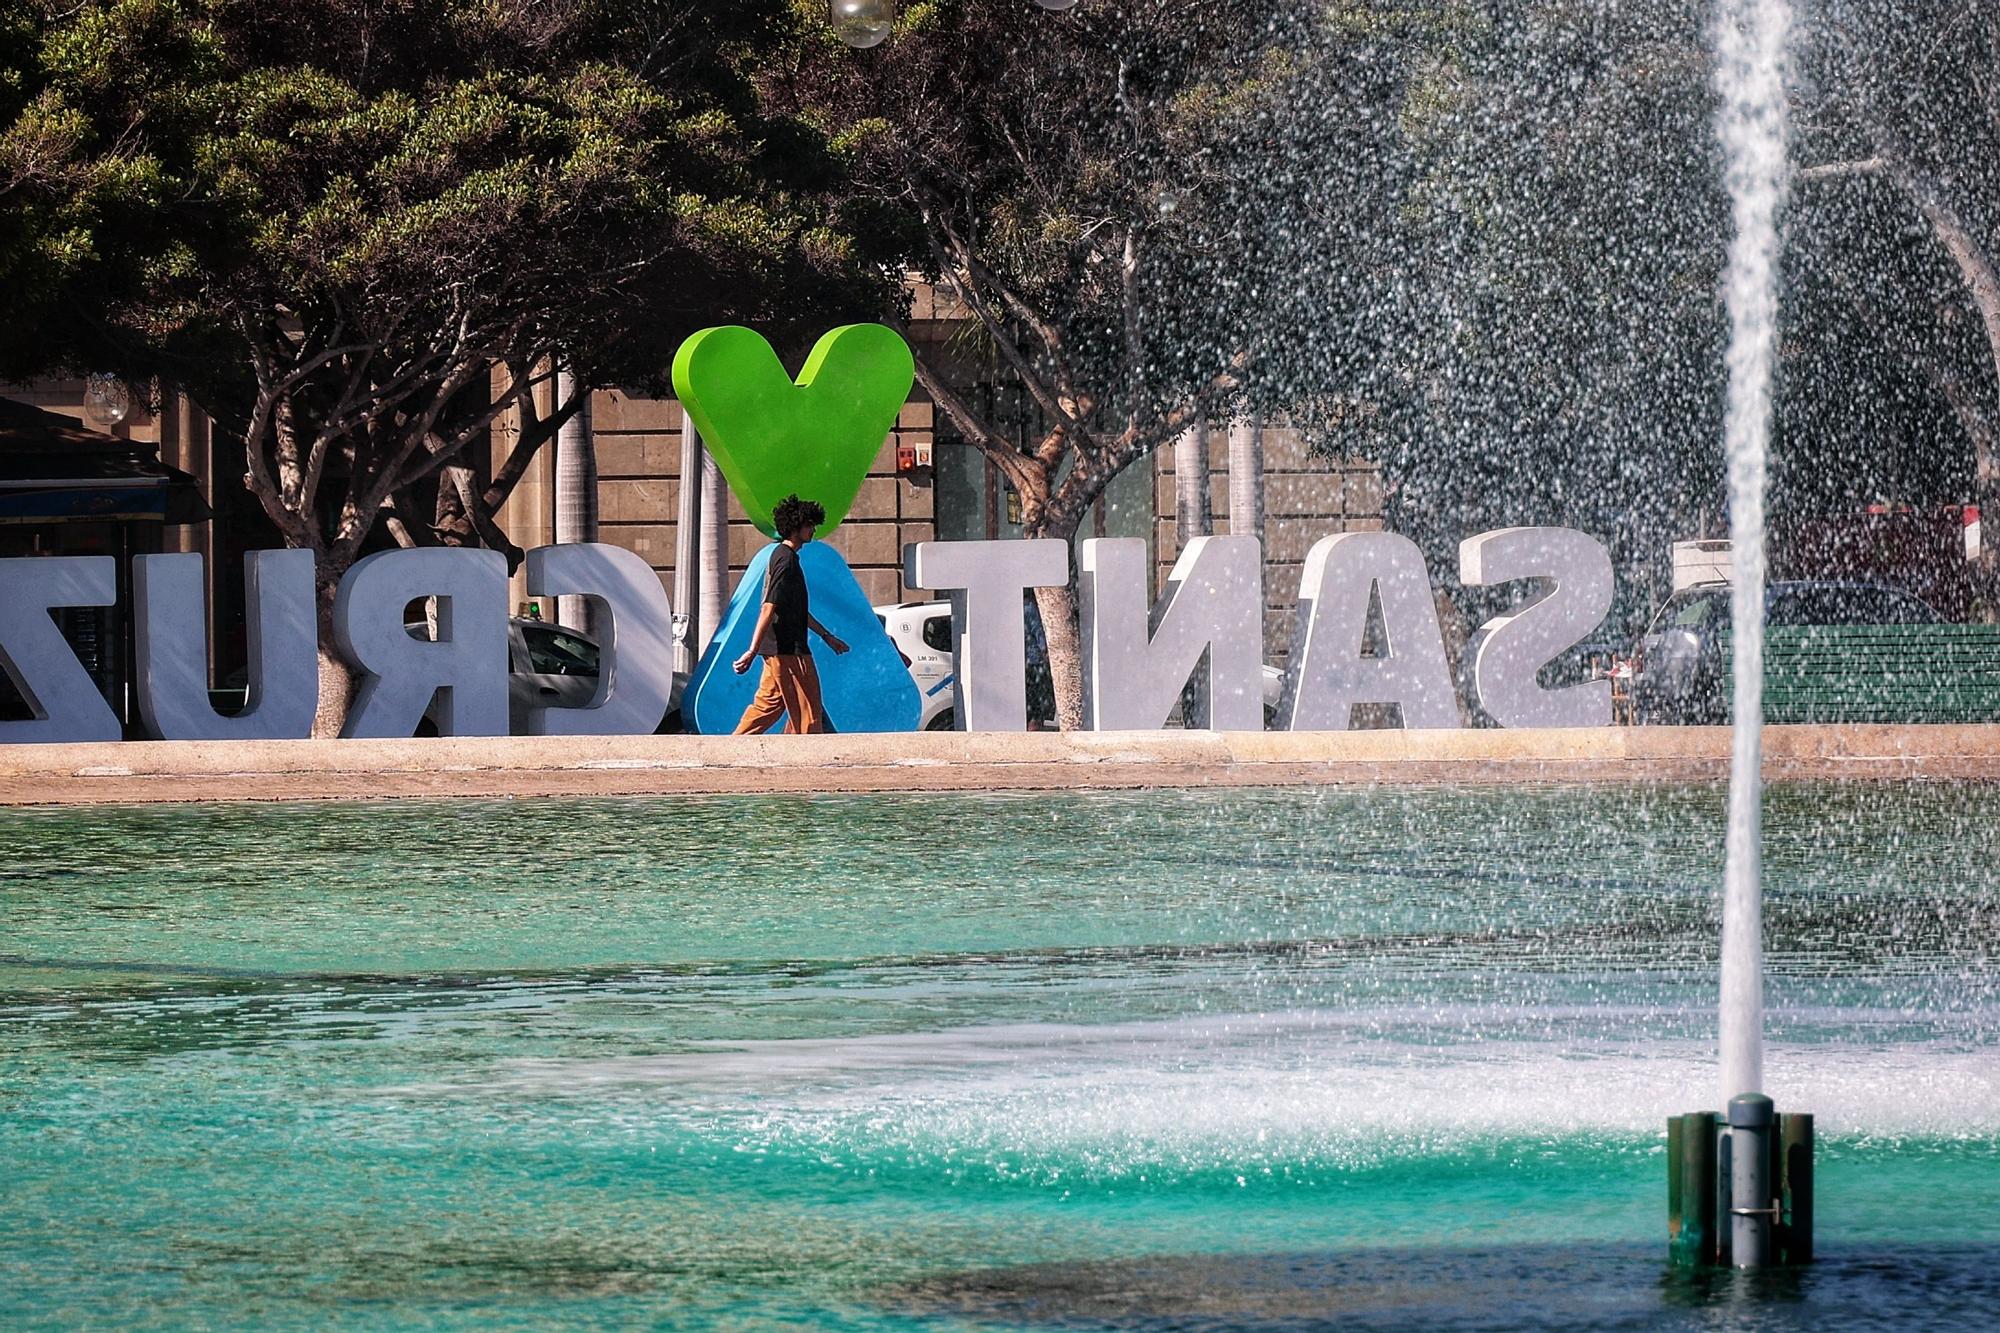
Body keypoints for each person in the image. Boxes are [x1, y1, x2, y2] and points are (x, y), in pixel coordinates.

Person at [733, 494, 848, 734]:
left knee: (767, 706)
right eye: (809, 525)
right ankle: (805, 761)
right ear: (795, 527)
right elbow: (768, 606)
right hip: (787, 650)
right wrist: (752, 651)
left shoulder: (785, 558)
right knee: (808, 712)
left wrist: (827, 637)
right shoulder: (785, 561)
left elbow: (797, 611)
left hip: (777, 648)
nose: (813, 530)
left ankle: (732, 747)